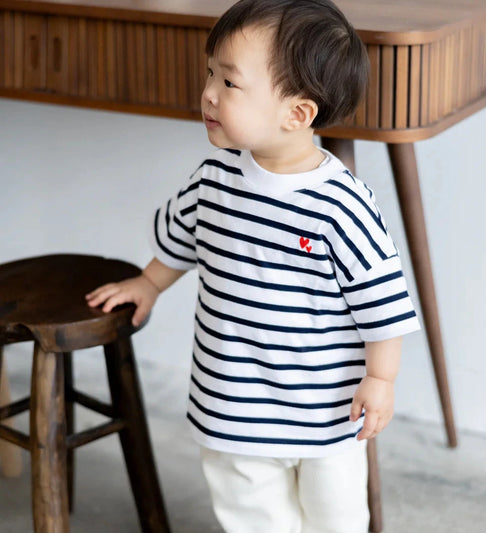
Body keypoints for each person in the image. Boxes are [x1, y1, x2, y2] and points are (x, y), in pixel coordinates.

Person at [86, 1, 420, 531]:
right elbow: (182, 239)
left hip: (325, 411)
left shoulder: (341, 206)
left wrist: (381, 377)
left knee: (335, 517)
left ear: (297, 114)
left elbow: (383, 304)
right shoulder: (214, 177)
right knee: (251, 515)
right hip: (233, 403)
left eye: (229, 82)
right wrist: (149, 283)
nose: (208, 93)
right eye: (209, 73)